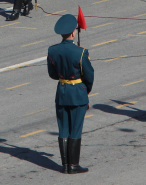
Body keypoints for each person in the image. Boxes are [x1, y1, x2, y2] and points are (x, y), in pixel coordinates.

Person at [47, 13, 94, 175]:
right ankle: (73, 165)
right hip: (77, 93)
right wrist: (85, 89)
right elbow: (89, 75)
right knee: (75, 129)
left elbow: (52, 74)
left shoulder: (52, 50)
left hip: (62, 92)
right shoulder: (80, 52)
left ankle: (65, 165)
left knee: (63, 128)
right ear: (74, 32)